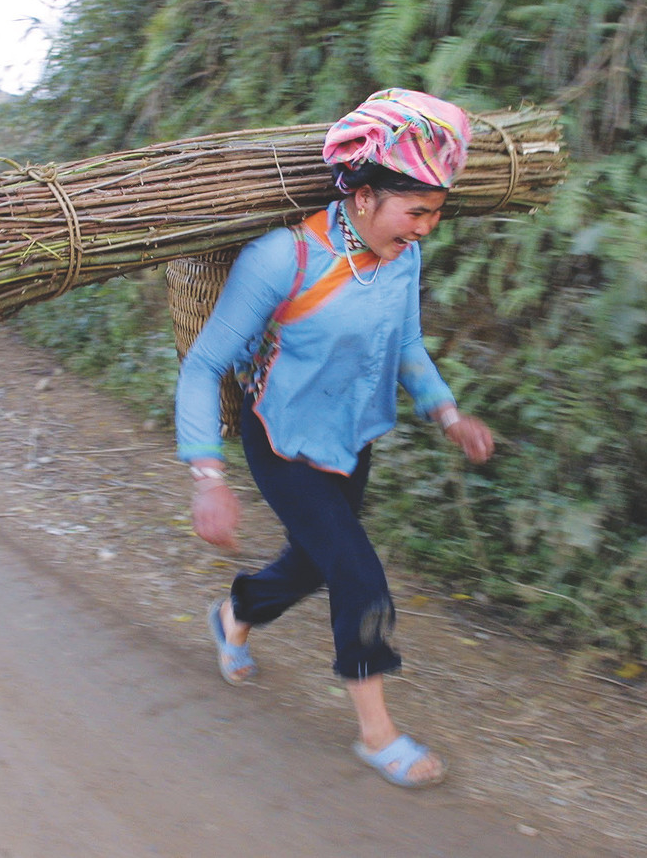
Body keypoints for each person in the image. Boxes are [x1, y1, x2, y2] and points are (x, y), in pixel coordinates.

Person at [174, 88, 495, 789]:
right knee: (359, 578)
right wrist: (209, 476)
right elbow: (204, 365)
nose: (425, 230)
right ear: (364, 196)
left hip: (352, 438)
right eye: (416, 212)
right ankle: (378, 736)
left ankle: (235, 613)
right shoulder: (281, 258)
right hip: (283, 440)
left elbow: (408, 344)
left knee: (315, 563)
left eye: (436, 215)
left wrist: (446, 413)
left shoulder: (401, 256)